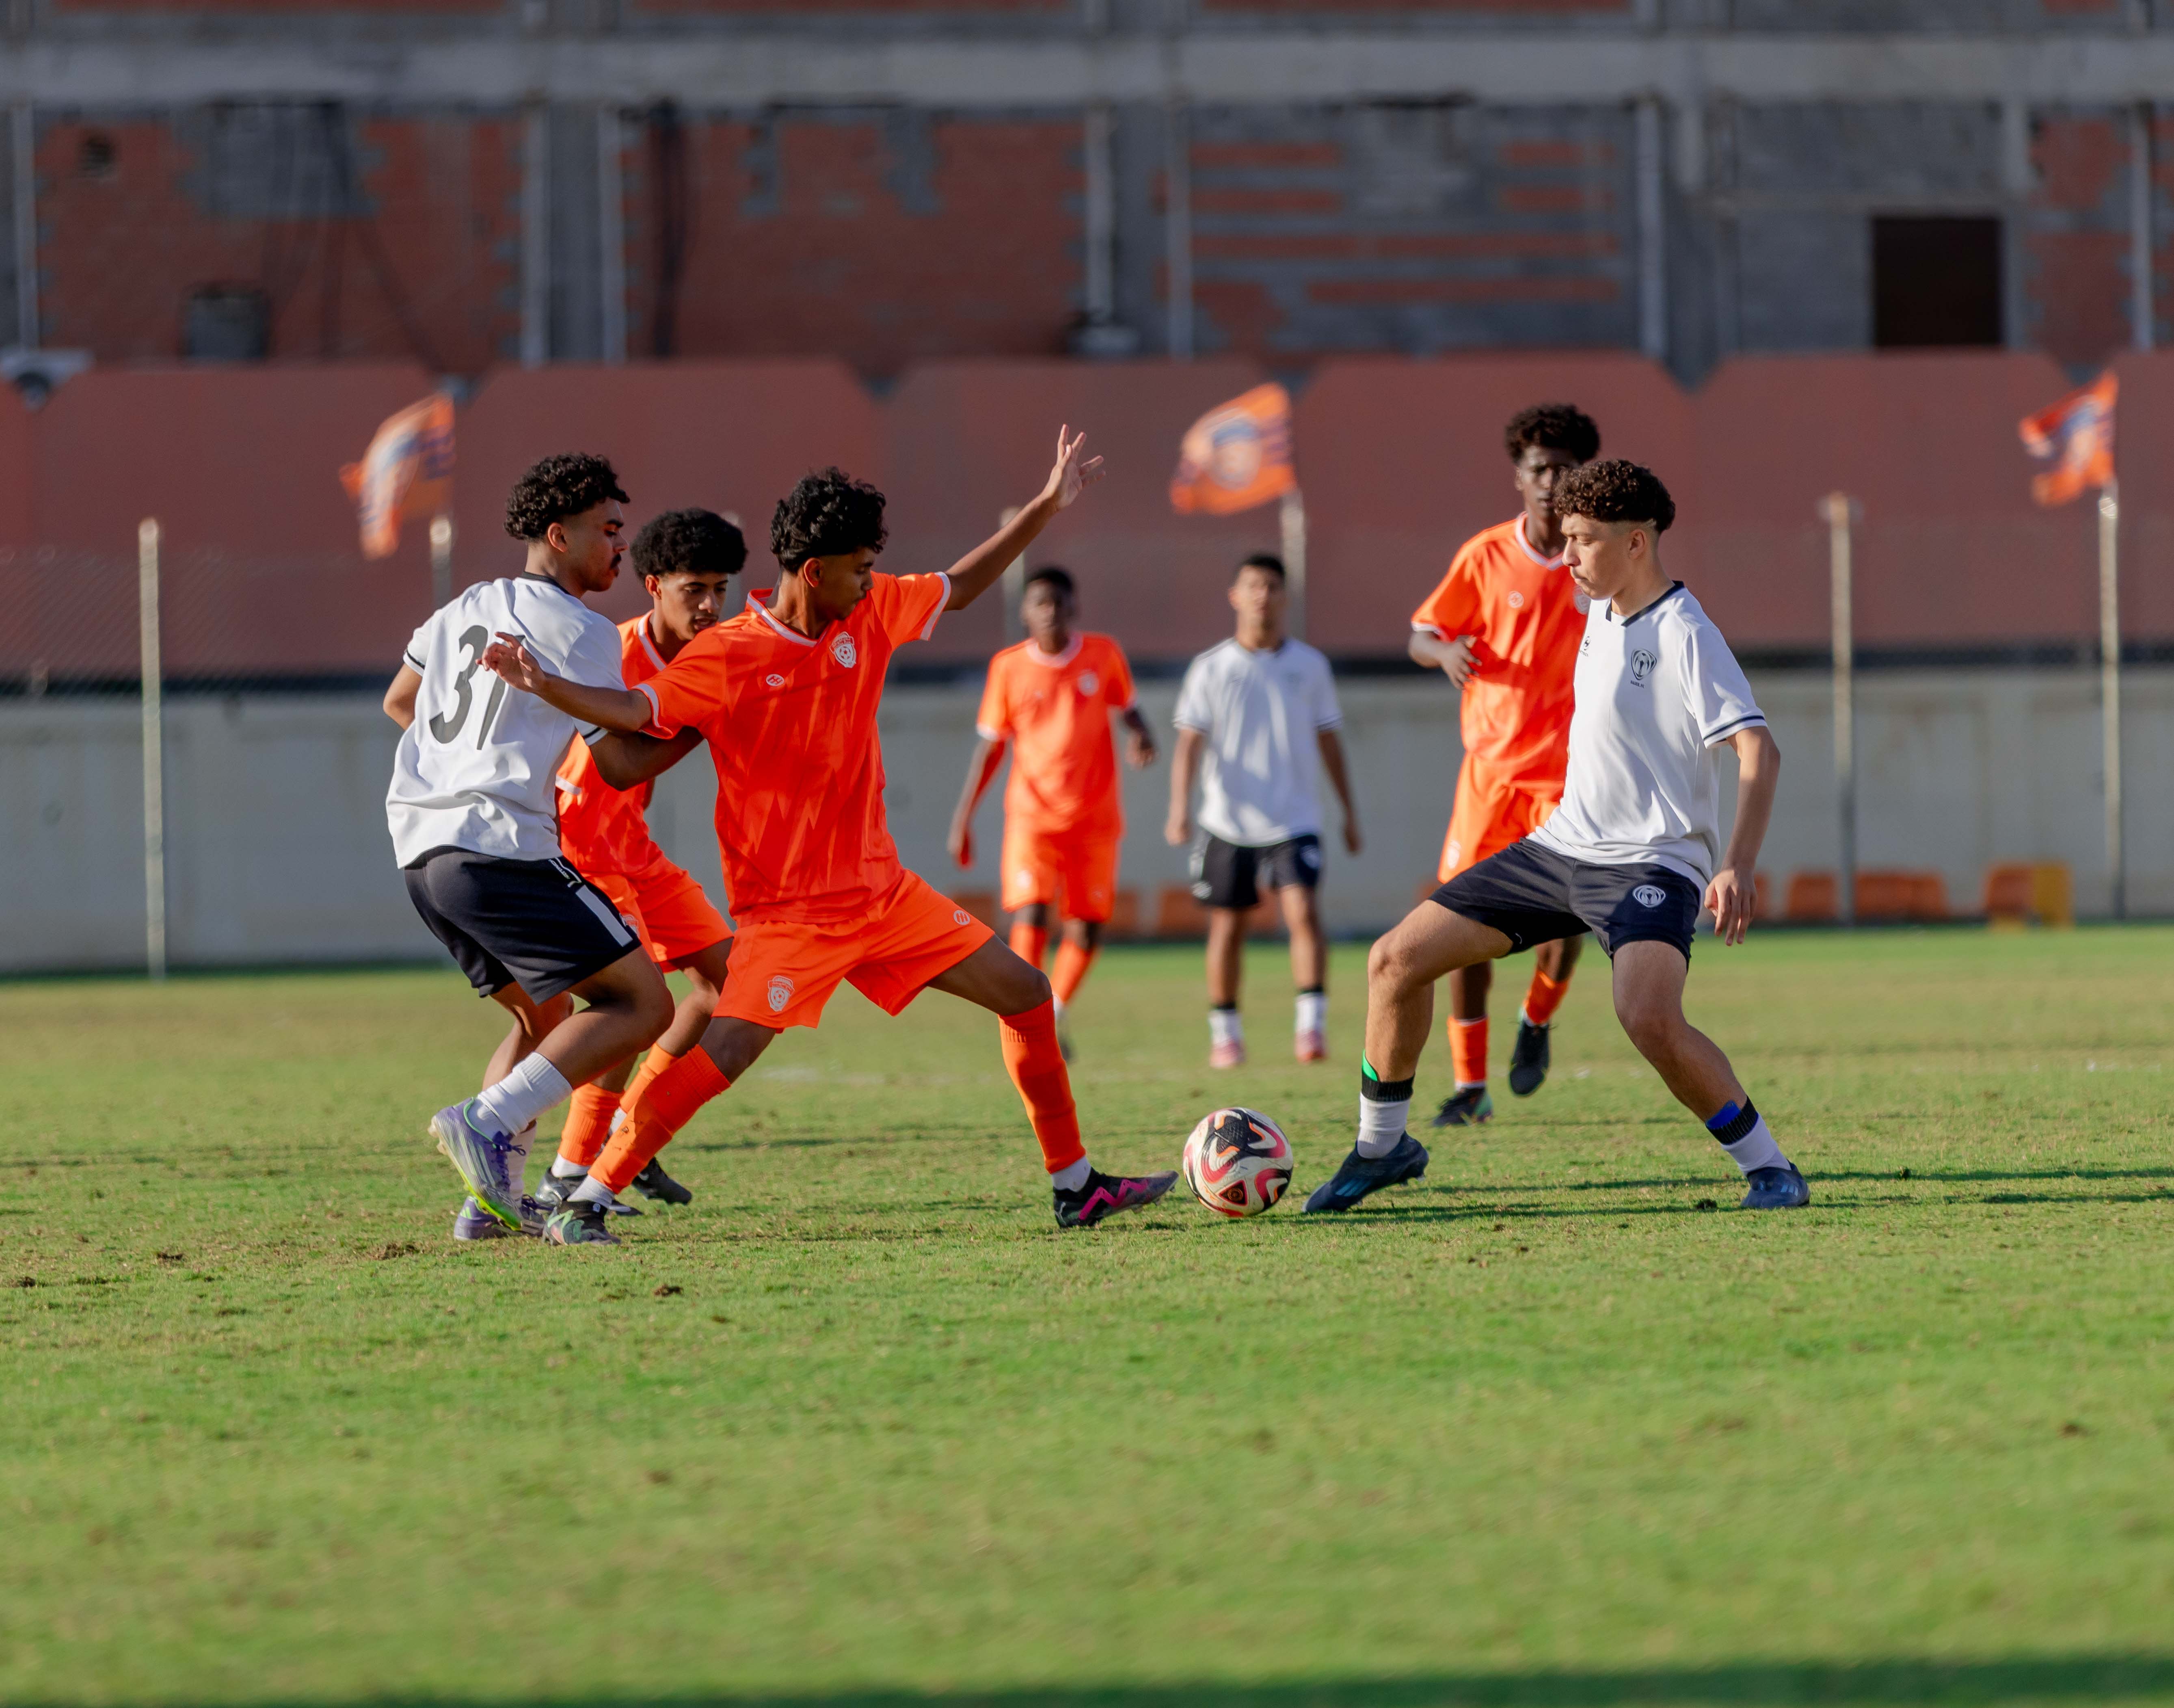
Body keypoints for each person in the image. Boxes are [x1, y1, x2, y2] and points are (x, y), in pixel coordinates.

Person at [482, 429, 1178, 1244]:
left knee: (1027, 994)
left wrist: (1045, 506)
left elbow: (959, 585)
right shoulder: (728, 654)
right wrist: (546, 686)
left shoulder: (870, 612)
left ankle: (1074, 1186)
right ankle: (589, 1198)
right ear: (815, 572)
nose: (872, 582)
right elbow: (637, 713)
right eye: (860, 569)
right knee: (723, 1054)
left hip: (884, 895)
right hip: (789, 916)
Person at [1305, 460, 1808, 1216]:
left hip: (1651, 862)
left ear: (1636, 543)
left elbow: (1758, 749)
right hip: (1559, 849)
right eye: (1565, 537)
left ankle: (1769, 1167)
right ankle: (1381, 1148)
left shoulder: (1683, 632)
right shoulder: (1598, 608)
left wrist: (1735, 864)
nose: (1566, 555)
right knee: (1393, 960)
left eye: (1582, 540)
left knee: (1647, 1016)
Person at [383, 453, 674, 1236]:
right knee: (642, 1003)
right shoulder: (581, 628)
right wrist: (707, 723)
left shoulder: (463, 606)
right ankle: (484, 1120)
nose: (620, 544)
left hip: (423, 853)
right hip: (498, 847)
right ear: (558, 535)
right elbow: (618, 765)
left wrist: (462, 760)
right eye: (607, 529)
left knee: (542, 1020)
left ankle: (489, 1205)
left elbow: (400, 700)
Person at [528, 508, 745, 1228]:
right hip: (584, 850)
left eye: (720, 589)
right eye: (693, 589)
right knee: (632, 1009)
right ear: (654, 586)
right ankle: (567, 1175)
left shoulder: (715, 656)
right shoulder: (611, 653)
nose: (709, 605)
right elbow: (587, 775)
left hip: (635, 848)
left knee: (727, 984)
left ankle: (628, 1132)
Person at [1408, 403, 1599, 1128]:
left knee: (1569, 916)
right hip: (1487, 776)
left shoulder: (1599, 558)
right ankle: (1469, 1086)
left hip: (1568, 776)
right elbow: (1421, 633)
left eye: (1563, 469)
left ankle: (1538, 1018)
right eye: (1538, 469)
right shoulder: (1484, 555)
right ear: (1518, 478)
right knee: (1458, 923)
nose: (1550, 481)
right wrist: (1442, 651)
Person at [946, 566, 1157, 1060]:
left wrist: (1142, 734)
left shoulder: (1103, 654)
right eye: (1040, 602)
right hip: (1031, 817)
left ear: (1074, 607)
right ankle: (1027, 1013)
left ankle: (1053, 1010)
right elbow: (991, 748)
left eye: (1059, 602)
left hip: (1094, 817)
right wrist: (963, 818)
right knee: (1032, 910)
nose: (1051, 611)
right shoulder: (1008, 668)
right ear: (1024, 611)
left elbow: (1129, 706)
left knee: (1087, 926)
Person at [1165, 553, 1360, 1069]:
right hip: (1227, 821)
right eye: (1252, 586)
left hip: (1294, 819)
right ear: (1234, 596)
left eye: (1272, 586)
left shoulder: (1310, 666)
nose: (1262, 596)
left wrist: (1348, 811)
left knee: (1303, 913)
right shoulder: (1211, 667)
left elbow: (1329, 739)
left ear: (1284, 596)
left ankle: (1311, 1028)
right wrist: (1179, 808)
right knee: (1228, 927)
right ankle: (1225, 1034)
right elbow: (1188, 743)